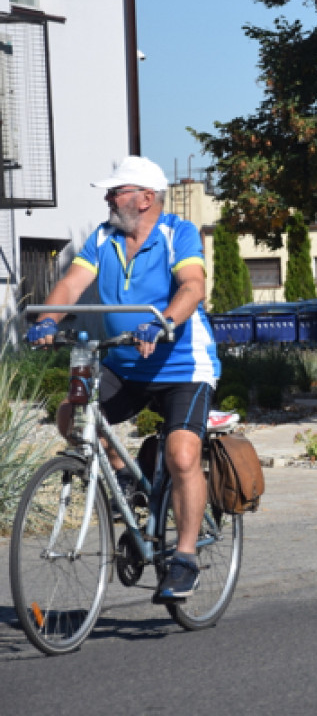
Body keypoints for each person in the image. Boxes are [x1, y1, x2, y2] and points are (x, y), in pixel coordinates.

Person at [26, 155, 221, 602]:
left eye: (116, 191)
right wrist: (48, 317)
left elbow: (192, 286)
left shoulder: (178, 233)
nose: (108, 198)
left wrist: (164, 321)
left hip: (182, 366)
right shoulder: (103, 237)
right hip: (124, 362)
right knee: (71, 419)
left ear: (145, 197)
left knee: (182, 454)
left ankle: (186, 558)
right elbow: (74, 283)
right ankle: (126, 480)